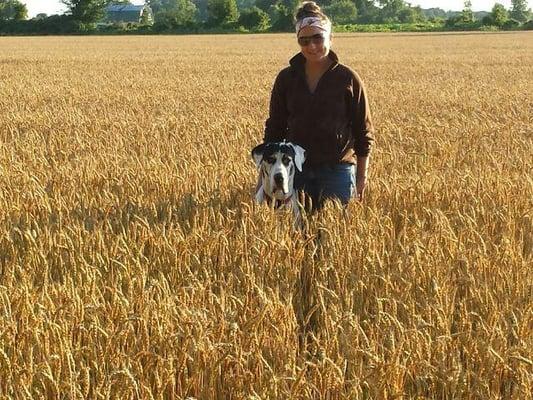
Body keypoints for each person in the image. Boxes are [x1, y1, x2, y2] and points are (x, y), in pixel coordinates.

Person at [263, 1, 374, 211]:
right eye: (304, 40)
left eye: (317, 38)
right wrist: (264, 177)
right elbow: (275, 128)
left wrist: (361, 178)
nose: (311, 46)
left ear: (330, 38)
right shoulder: (287, 78)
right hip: (295, 170)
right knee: (296, 236)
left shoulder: (348, 78)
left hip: (338, 171)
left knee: (335, 235)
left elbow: (363, 130)